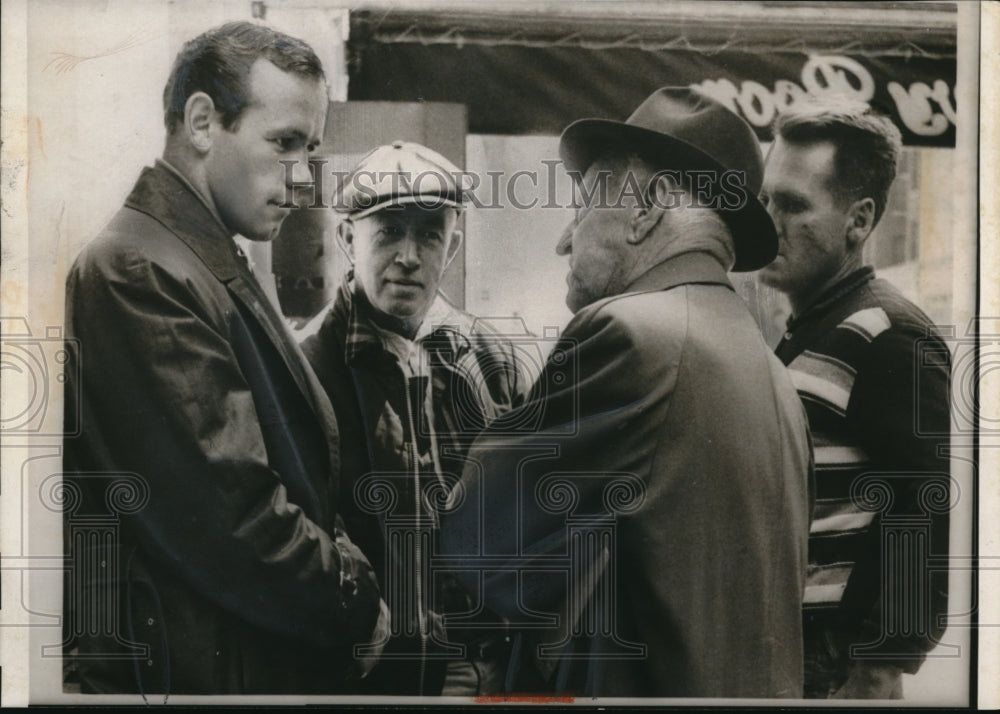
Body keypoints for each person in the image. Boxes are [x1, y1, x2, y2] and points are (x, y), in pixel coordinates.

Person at [439, 87, 813, 698]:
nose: (565, 239)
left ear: (646, 208)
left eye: (585, 203)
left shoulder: (629, 334)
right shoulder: (773, 375)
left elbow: (475, 537)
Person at [62, 21, 385, 695]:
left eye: (312, 150)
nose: (302, 182)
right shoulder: (138, 268)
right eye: (284, 144)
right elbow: (232, 516)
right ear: (203, 122)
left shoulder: (195, 258)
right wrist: (355, 599)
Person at [301, 141, 531, 696]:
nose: (409, 254)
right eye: (388, 231)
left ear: (451, 247)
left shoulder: (491, 358)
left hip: (492, 667)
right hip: (378, 677)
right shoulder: (305, 367)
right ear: (347, 238)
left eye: (429, 234)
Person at [758, 98, 951, 699]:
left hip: (836, 663)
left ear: (859, 220)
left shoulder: (888, 333)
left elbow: (927, 510)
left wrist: (879, 667)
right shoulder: (809, 325)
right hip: (793, 651)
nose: (768, 221)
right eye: (766, 199)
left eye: (792, 205)